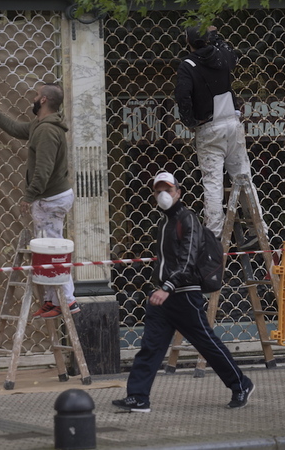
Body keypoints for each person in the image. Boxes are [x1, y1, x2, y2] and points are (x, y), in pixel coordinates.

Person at [112, 171, 254, 412]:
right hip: (164, 296)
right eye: (158, 191)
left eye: (168, 190)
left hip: (184, 295)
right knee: (151, 347)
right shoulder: (165, 222)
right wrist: (162, 287)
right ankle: (138, 397)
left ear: (178, 192)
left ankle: (241, 384)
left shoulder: (186, 218)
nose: (163, 194)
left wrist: (167, 287)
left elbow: (187, 260)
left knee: (206, 344)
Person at [0, 83, 79, 319]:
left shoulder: (46, 131)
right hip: (51, 197)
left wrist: (29, 195)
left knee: (53, 249)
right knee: (47, 248)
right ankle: (51, 299)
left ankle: (67, 300)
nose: (32, 99)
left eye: (35, 95)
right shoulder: (41, 126)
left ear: (43, 100)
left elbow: (43, 170)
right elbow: (16, 128)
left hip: (50, 198)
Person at [174, 25, 267, 247]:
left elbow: (183, 96)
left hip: (209, 127)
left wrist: (190, 121)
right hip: (232, 124)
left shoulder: (188, 66)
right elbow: (230, 53)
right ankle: (258, 229)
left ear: (189, 42)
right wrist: (216, 36)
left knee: (213, 182)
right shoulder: (223, 57)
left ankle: (214, 234)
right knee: (243, 177)